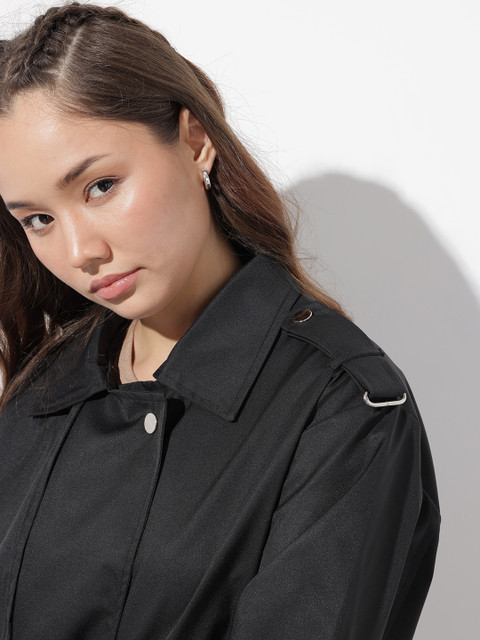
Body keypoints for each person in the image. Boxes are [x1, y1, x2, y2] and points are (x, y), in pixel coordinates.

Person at [0, 3, 440, 639]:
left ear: (195, 142)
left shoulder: (343, 410)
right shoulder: (41, 389)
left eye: (100, 186)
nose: (79, 251)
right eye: (38, 219)